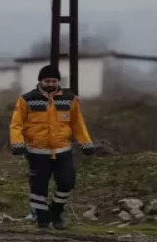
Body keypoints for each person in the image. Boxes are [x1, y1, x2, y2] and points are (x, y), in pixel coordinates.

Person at [9, 65, 95, 231]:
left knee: (66, 183)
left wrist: (86, 142)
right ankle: (42, 220)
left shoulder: (70, 99)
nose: (51, 83)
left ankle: (56, 212)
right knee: (38, 188)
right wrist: (17, 143)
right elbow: (16, 124)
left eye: (54, 81)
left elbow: (78, 123)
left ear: (58, 81)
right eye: (47, 80)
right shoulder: (27, 99)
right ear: (40, 81)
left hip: (63, 151)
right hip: (37, 152)